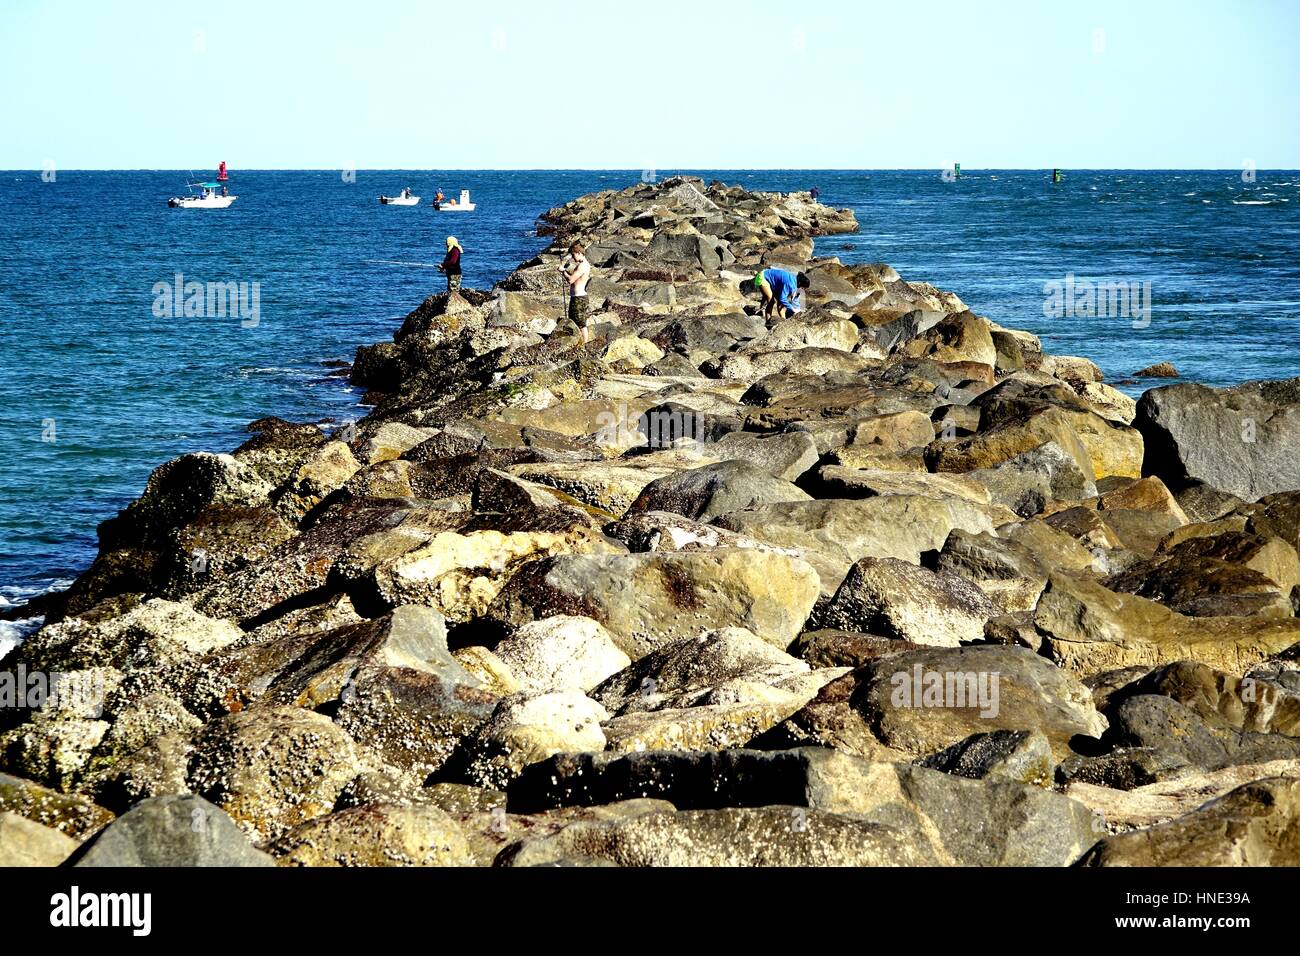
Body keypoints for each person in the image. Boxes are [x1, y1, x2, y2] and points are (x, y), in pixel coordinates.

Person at [743, 267, 809, 320]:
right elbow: (782, 298)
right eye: (803, 288)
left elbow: (795, 299)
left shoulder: (795, 281)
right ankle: (768, 321)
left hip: (773, 281)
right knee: (771, 301)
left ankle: (783, 321)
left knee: (780, 305)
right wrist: (791, 308)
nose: (803, 290)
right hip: (763, 277)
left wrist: (798, 309)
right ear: (800, 283)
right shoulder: (791, 284)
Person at [560, 242, 592, 338]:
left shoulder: (582, 266)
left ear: (579, 253)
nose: (573, 258)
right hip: (577, 297)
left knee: (580, 323)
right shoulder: (583, 265)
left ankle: (585, 344)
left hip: (579, 298)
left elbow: (571, 280)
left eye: (573, 255)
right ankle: (579, 341)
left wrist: (563, 271)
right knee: (574, 321)